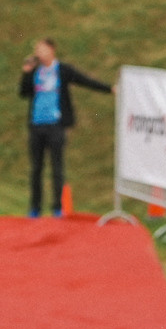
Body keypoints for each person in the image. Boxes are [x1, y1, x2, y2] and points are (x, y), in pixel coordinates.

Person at [17, 38, 110, 218]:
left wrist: (109, 89)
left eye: (42, 49)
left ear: (52, 50)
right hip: (37, 125)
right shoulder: (35, 71)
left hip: (56, 125)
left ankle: (57, 208)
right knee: (36, 168)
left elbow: (86, 81)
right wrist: (26, 73)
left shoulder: (62, 70)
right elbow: (23, 93)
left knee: (57, 167)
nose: (38, 53)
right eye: (37, 50)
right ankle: (35, 208)